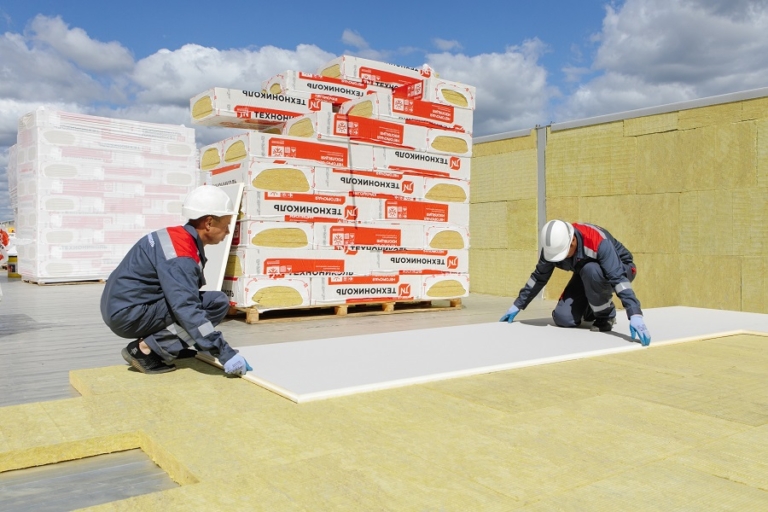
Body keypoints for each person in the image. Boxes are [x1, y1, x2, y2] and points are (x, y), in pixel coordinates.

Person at [101, 185, 251, 374]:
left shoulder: (177, 237)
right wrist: (225, 353)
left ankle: (171, 346)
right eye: (226, 225)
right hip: (129, 314)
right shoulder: (181, 255)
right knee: (213, 305)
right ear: (209, 223)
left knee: (208, 302)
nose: (228, 231)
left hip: (123, 305)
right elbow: (187, 309)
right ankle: (146, 350)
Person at [500, 220, 652, 346]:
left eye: (563, 253)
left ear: (572, 240)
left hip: (622, 269)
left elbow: (618, 278)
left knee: (591, 270)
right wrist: (518, 305)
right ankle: (593, 306)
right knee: (563, 318)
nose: (561, 259)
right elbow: (538, 277)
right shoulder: (552, 247)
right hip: (586, 274)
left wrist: (634, 313)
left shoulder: (597, 241)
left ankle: (606, 315)